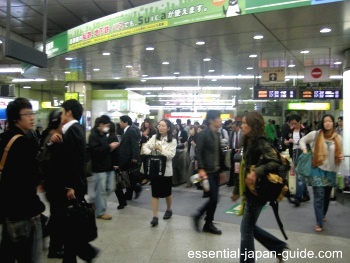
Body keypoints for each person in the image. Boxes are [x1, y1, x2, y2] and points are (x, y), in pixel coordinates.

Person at [51, 99, 99, 263]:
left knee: (69, 224)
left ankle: (86, 253)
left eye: (62, 112)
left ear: (69, 112)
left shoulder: (72, 131)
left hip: (72, 187)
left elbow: (72, 162)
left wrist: (69, 186)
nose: (61, 115)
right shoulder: (74, 130)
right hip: (74, 185)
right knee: (69, 226)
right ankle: (76, 255)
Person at [238, 111, 288, 263]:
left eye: (245, 123)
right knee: (248, 227)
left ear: (254, 125)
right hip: (251, 189)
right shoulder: (249, 141)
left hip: (259, 190)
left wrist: (256, 172)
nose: (242, 126)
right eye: (242, 123)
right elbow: (244, 166)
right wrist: (236, 189)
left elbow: (275, 162)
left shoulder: (261, 142)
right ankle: (278, 247)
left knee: (246, 229)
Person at [0, 98, 46, 263]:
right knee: (30, 258)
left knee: (8, 255)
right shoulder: (24, 144)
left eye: (32, 113)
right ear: (15, 118)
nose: (32, 117)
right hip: (24, 212)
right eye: (27, 114)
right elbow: (28, 179)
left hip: (7, 210)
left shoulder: (4, 138)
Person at [299, 114, 343, 232]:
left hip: (331, 171)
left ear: (333, 123)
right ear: (322, 123)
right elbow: (302, 140)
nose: (327, 123)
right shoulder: (316, 134)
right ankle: (319, 223)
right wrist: (305, 150)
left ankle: (322, 214)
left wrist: (340, 156)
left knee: (326, 197)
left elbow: (339, 152)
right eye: (325, 121)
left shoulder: (338, 138)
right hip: (317, 169)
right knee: (319, 196)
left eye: (330, 121)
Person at [192, 110, 226, 235]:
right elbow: (198, 152)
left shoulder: (217, 134)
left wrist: (222, 170)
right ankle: (199, 216)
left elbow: (219, 154)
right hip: (208, 172)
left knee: (214, 199)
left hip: (216, 171)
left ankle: (208, 223)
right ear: (211, 120)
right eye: (219, 118)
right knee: (214, 198)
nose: (220, 121)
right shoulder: (204, 134)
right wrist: (200, 169)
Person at [40, 109, 65, 259]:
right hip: (55, 185)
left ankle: (53, 243)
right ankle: (54, 248)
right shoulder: (52, 138)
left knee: (58, 216)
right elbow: (47, 161)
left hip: (54, 184)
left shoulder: (58, 137)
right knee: (58, 216)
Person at [142, 119, 177, 227]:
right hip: (155, 169)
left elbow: (171, 155)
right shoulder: (154, 137)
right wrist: (151, 152)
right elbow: (145, 147)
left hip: (166, 171)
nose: (160, 127)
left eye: (163, 126)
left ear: (168, 128)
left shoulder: (173, 141)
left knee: (167, 193)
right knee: (155, 193)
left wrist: (161, 150)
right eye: (159, 125)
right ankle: (155, 216)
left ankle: (169, 209)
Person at [89, 115, 119, 220]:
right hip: (99, 168)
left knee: (111, 187)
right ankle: (101, 212)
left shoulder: (104, 135)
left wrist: (111, 148)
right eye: (106, 126)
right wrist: (109, 147)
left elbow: (105, 150)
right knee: (101, 191)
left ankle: (95, 201)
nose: (108, 128)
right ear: (100, 125)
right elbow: (95, 151)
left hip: (108, 166)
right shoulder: (93, 136)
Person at [115, 115, 142, 208]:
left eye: (121, 121)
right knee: (127, 176)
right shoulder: (126, 131)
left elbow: (135, 144)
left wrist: (135, 157)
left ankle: (136, 188)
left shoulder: (131, 131)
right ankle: (130, 193)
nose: (120, 123)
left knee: (127, 176)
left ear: (126, 122)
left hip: (129, 158)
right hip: (126, 157)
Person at [283, 114, 310, 206]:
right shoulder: (290, 131)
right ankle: (306, 195)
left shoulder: (305, 130)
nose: (294, 125)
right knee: (299, 175)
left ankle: (298, 198)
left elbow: (309, 142)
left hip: (303, 153)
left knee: (300, 176)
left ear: (299, 122)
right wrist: (288, 141)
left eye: (295, 123)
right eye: (292, 124)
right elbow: (285, 141)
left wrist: (300, 143)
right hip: (293, 153)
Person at [140, 118, 157, 185]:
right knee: (144, 163)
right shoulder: (143, 130)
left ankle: (149, 177)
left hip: (149, 147)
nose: (145, 123)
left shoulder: (153, 131)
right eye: (145, 122)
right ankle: (145, 177)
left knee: (149, 162)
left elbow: (153, 140)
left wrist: (146, 136)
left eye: (147, 122)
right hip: (143, 147)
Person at [227, 121, 242, 192]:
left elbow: (244, 142)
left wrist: (241, 149)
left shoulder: (242, 133)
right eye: (232, 127)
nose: (233, 128)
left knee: (239, 167)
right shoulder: (232, 133)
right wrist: (228, 146)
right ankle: (231, 182)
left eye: (234, 127)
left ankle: (238, 182)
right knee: (232, 167)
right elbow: (230, 141)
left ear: (238, 126)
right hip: (233, 151)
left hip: (240, 151)